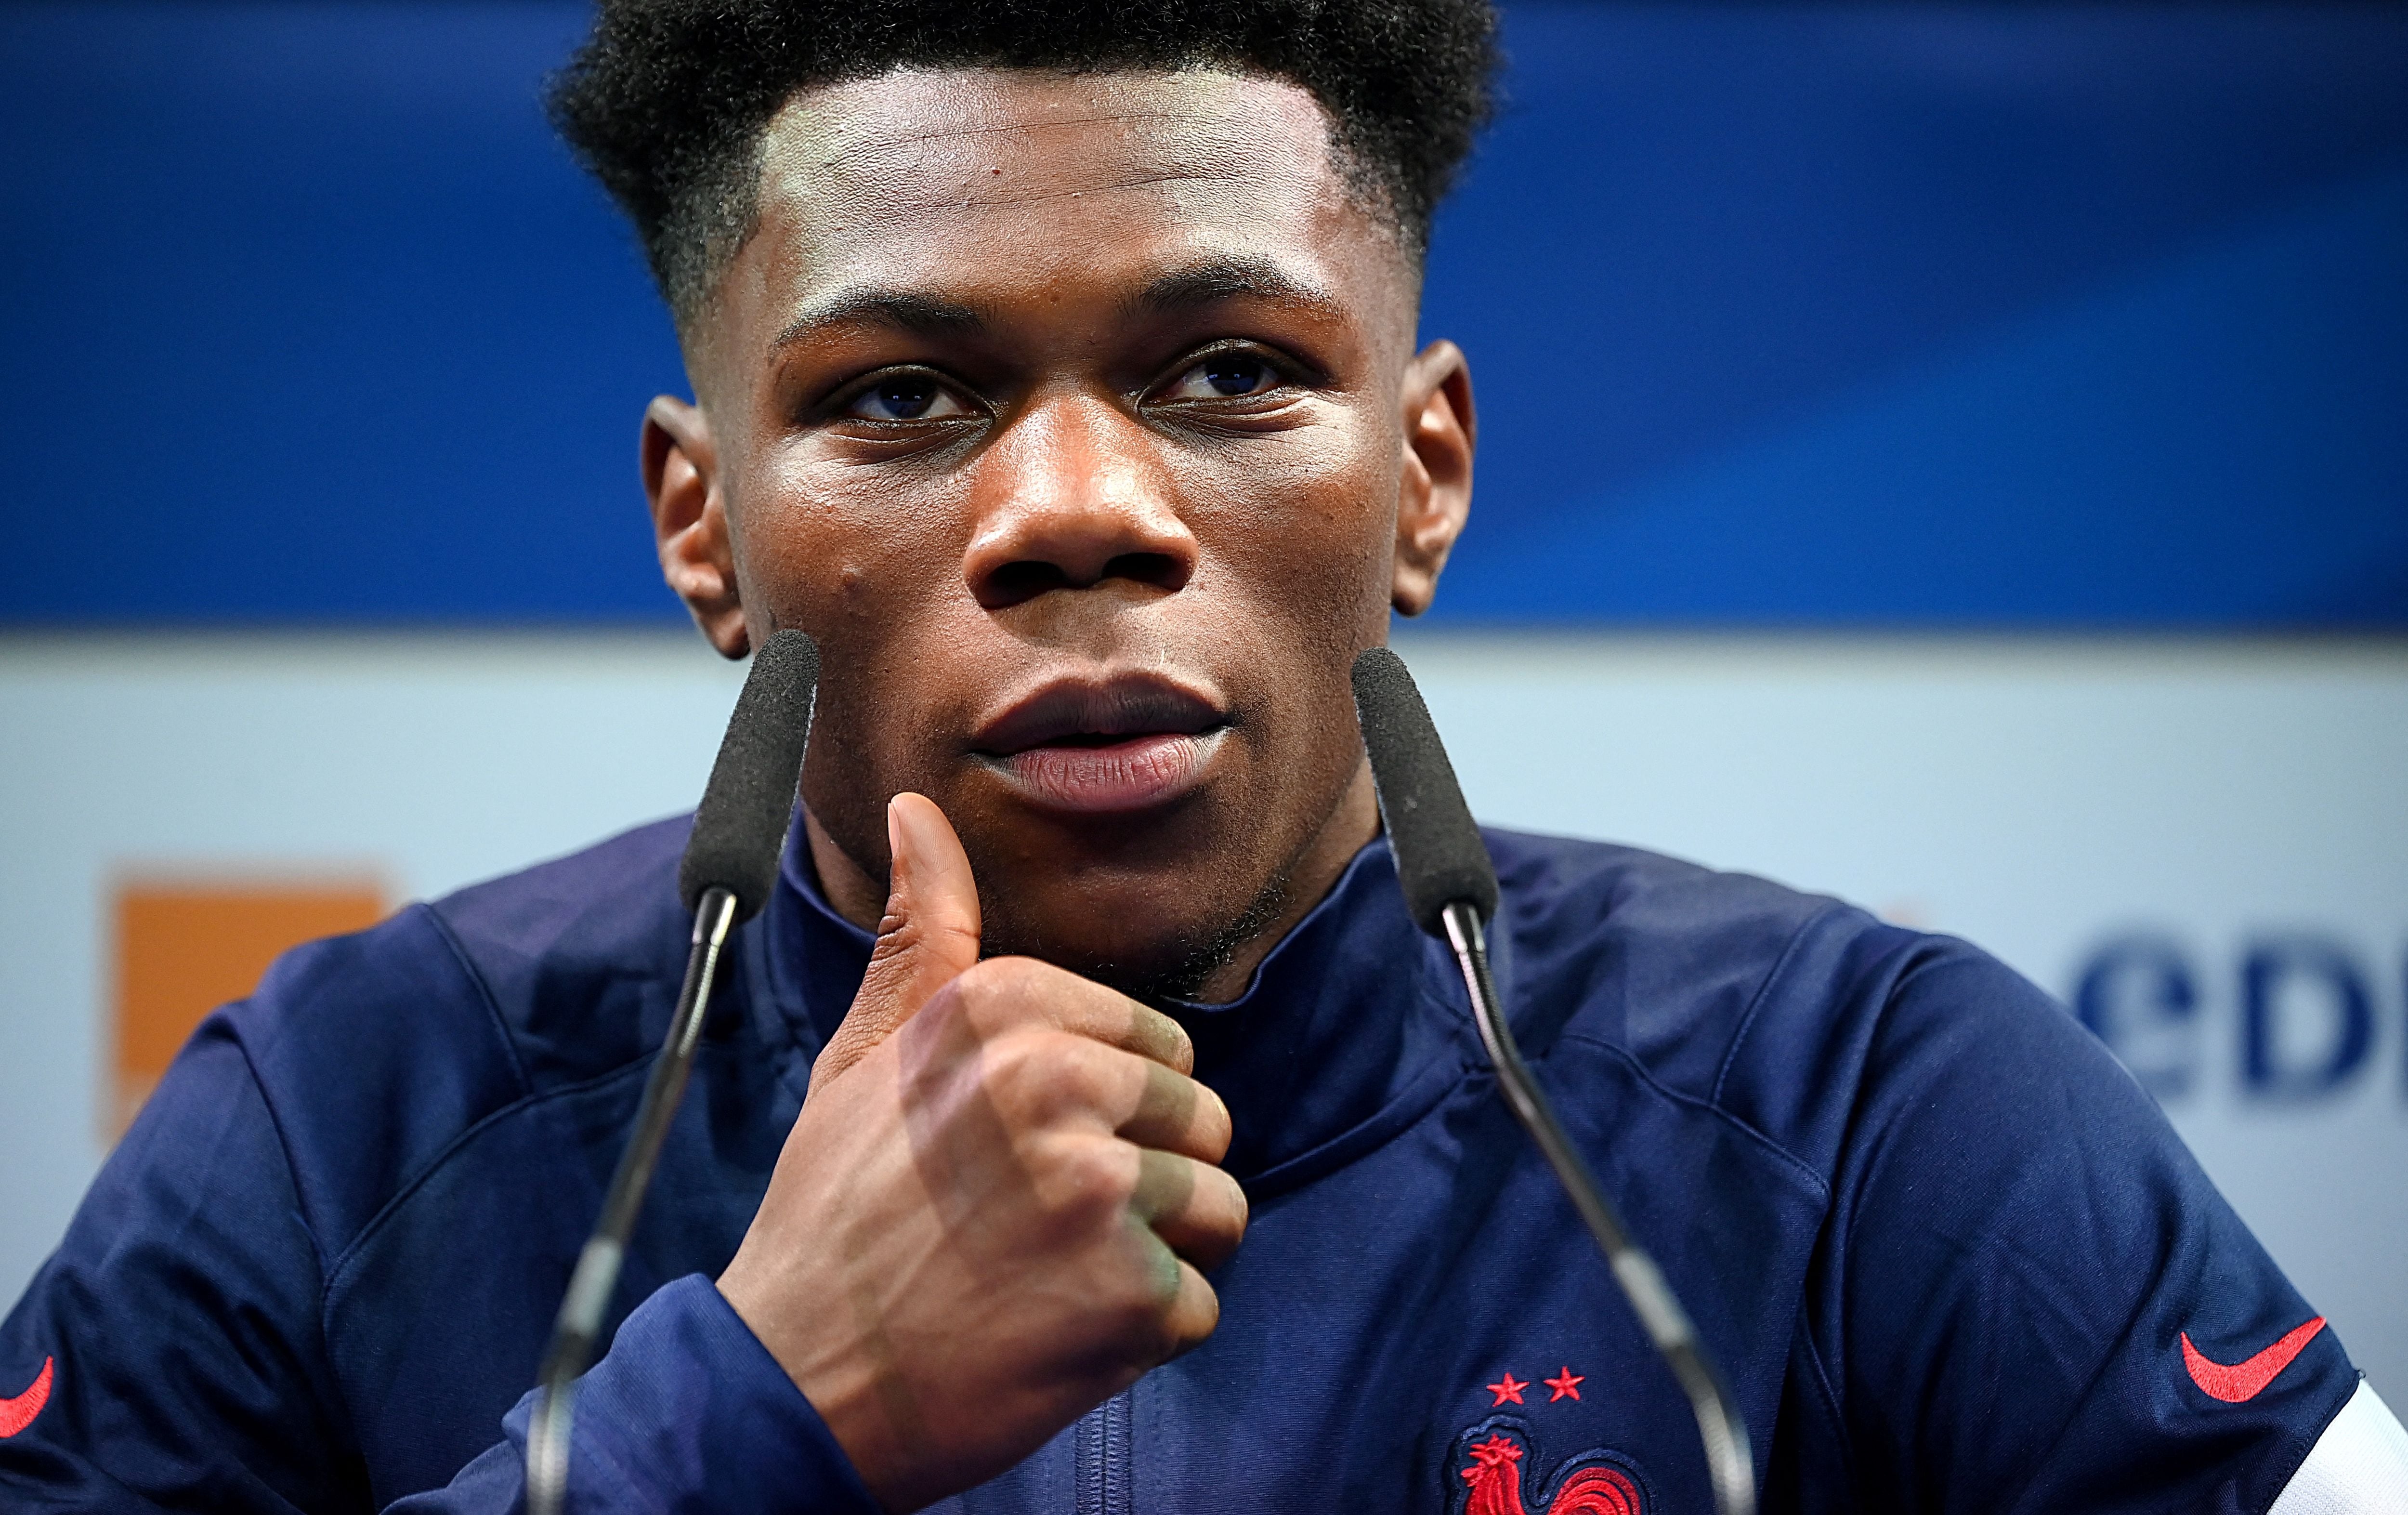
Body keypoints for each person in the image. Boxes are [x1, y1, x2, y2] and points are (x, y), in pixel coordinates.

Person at [4, 1, 2403, 1510]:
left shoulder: (1874, 1111)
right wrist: (745, 1411)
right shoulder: (341, 1129)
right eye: (901, 397)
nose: (1078, 511)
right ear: (703, 523)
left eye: (1230, 370)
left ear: (1422, 473)